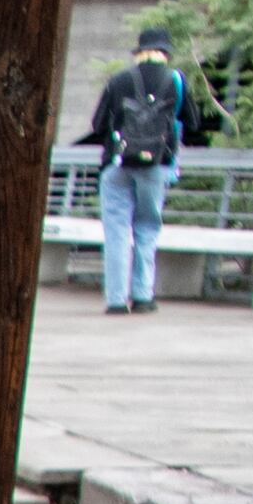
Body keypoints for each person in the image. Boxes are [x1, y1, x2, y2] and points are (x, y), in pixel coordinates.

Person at [81, 20, 198, 314]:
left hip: (118, 163)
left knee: (117, 231)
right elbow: (193, 123)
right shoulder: (176, 81)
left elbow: (97, 124)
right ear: (165, 53)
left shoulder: (119, 80)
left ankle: (116, 300)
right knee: (148, 226)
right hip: (158, 164)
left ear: (139, 52)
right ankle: (143, 297)